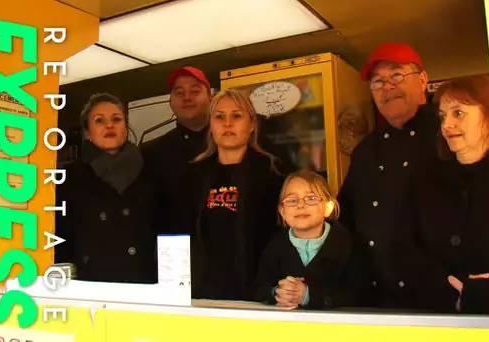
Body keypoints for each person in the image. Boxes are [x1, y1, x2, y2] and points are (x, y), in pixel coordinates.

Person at [395, 75, 489, 315]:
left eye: (458, 113)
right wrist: (446, 288)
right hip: (436, 314)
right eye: (443, 116)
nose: (446, 125)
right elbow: (404, 247)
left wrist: (487, 292)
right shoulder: (424, 179)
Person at [337, 42, 441, 309]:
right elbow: (344, 219)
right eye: (377, 82)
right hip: (376, 299)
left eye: (396, 75)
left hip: (439, 298)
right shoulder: (366, 151)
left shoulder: (447, 135)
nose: (387, 87)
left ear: (423, 80)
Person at [179, 88, 286, 301]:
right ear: (211, 125)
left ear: (252, 124)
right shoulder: (193, 175)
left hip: (258, 293)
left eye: (236, 116)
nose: (227, 123)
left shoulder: (273, 172)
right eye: (219, 116)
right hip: (203, 294)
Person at [54, 93, 160, 284]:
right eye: (99, 121)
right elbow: (61, 239)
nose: (109, 125)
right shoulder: (68, 177)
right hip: (91, 286)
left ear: (125, 128)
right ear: (88, 132)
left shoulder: (151, 171)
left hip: (143, 285)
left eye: (116, 119)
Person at [254, 170, 369, 309]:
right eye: (292, 200)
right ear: (282, 212)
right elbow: (259, 287)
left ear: (328, 208)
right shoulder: (275, 245)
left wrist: (308, 295)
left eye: (311, 198)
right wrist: (277, 292)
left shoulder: (348, 245)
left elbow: (358, 294)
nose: (300, 205)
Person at [141, 66, 212, 233]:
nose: (187, 98)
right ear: (171, 101)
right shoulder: (150, 153)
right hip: (173, 252)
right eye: (179, 93)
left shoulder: (230, 146)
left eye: (195, 91)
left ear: (211, 97)